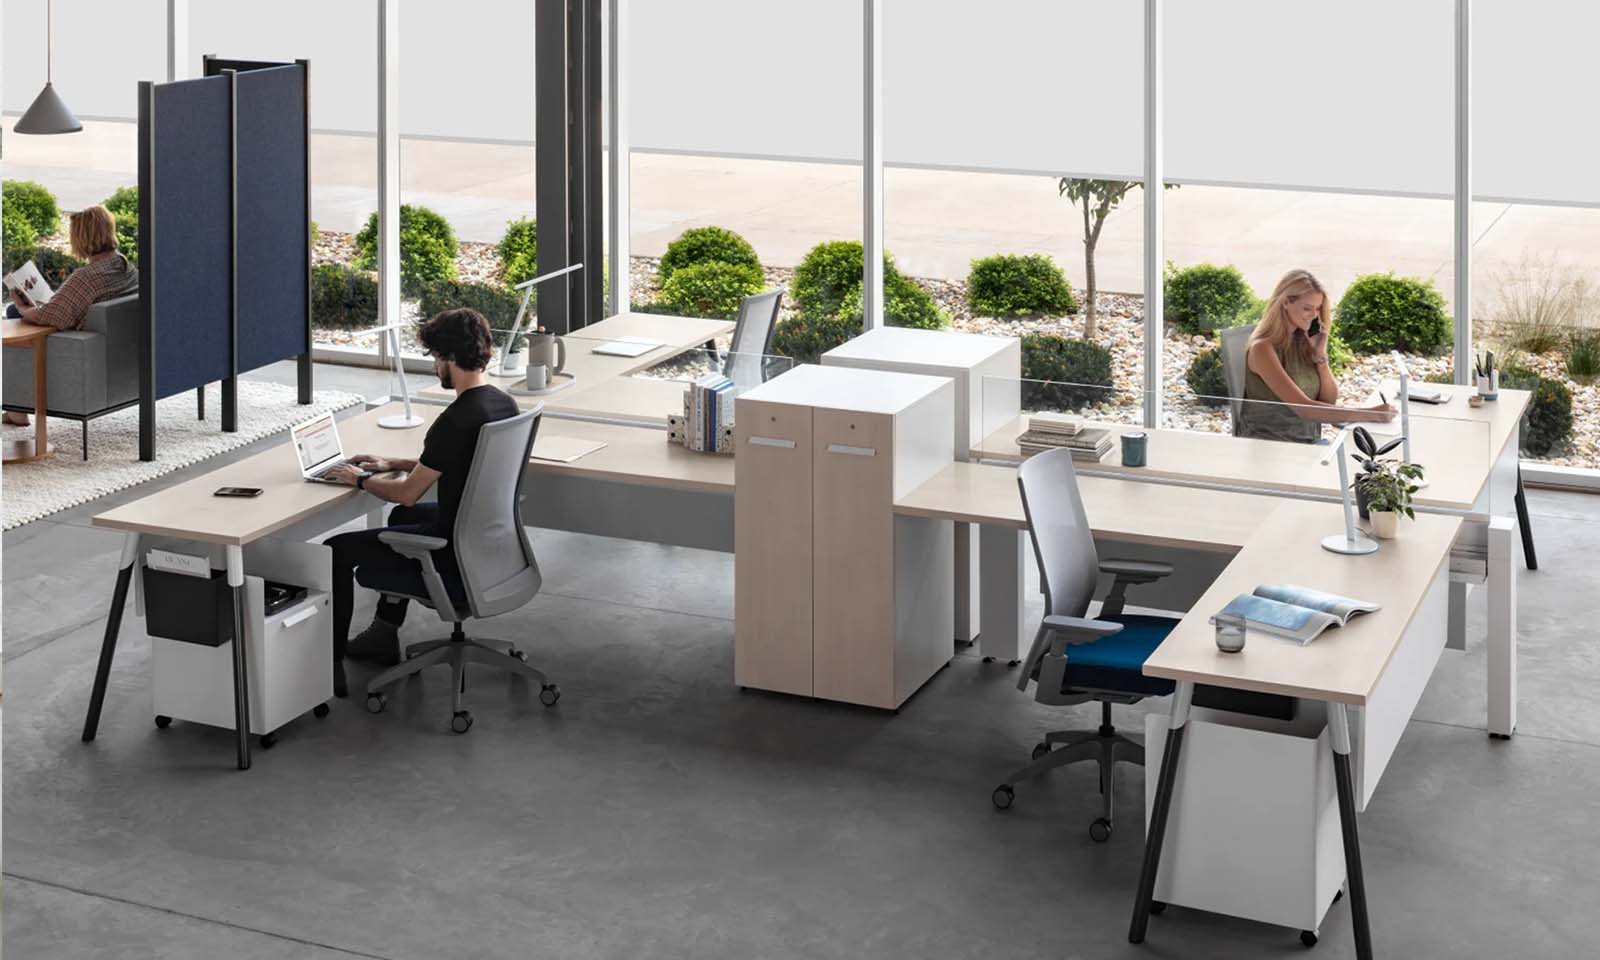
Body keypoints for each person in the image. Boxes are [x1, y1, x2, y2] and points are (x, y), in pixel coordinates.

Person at [323, 308, 519, 697]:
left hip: (453, 554)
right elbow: (461, 463)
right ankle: (383, 633)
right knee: (401, 517)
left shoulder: (454, 419)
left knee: (335, 550)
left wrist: (360, 479)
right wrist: (392, 463)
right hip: (487, 540)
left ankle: (329, 666)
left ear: (448, 358)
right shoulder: (501, 404)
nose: (434, 367)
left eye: (435, 358)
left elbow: (408, 491)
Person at [5, 205, 139, 426]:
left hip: (77, 343)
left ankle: (16, 407)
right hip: (112, 343)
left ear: (81, 238)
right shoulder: (122, 264)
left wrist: (22, 308)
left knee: (12, 313)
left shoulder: (85, 277)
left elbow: (52, 316)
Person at [1240, 269, 1396, 443]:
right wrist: (1371, 414)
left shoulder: (1301, 341)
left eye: (1318, 308)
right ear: (1285, 302)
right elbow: (1304, 409)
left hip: (1306, 442)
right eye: (1307, 308)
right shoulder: (1262, 349)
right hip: (1271, 446)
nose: (1314, 315)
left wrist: (1320, 356)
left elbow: (1329, 400)